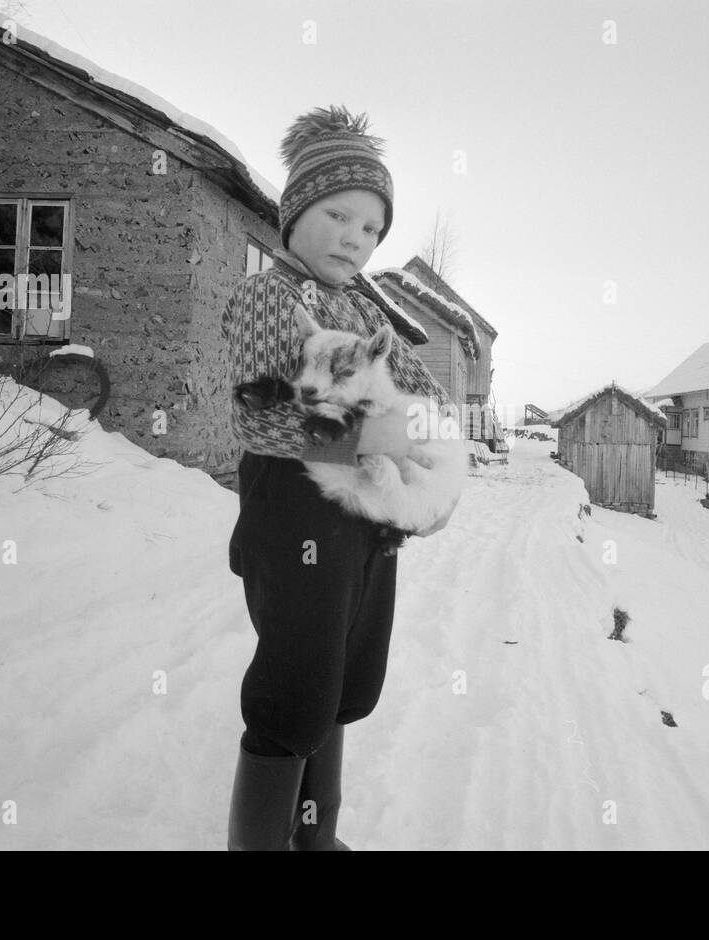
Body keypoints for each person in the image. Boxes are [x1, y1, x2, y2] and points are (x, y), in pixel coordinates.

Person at [220, 105, 458, 850]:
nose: (356, 237)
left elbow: (433, 402)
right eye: (339, 214)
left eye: (372, 228)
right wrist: (387, 436)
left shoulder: (360, 308)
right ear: (294, 215)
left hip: (360, 525)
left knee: (346, 681)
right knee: (295, 686)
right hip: (294, 517)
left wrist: (430, 469)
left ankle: (314, 838)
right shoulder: (270, 297)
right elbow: (264, 416)